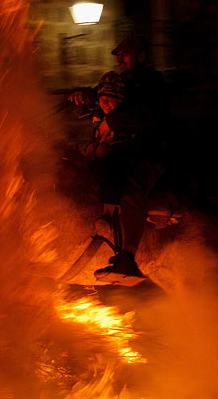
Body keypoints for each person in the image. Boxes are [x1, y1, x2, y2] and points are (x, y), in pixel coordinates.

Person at [68, 36, 170, 282]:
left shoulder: (153, 84)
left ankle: (128, 258)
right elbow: (106, 93)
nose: (120, 60)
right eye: (118, 56)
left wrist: (111, 122)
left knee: (132, 187)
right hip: (127, 151)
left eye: (125, 54)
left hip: (150, 151)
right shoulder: (125, 82)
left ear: (141, 56)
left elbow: (146, 114)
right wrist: (86, 95)